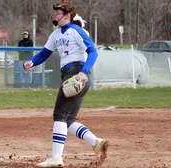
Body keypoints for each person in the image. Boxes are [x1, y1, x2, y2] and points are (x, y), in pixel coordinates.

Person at [23, 1, 108, 167]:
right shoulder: (56, 34)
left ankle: (56, 157)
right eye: (55, 12)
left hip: (77, 73)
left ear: (67, 16)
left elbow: (93, 51)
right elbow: (44, 53)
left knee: (59, 115)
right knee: (67, 119)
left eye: (58, 13)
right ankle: (96, 142)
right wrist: (32, 62)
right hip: (69, 74)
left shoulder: (76, 31)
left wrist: (83, 73)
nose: (55, 15)